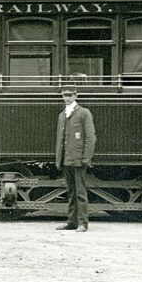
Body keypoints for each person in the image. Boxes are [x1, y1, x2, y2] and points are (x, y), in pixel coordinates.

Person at [54, 83, 96, 232]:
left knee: (80, 193)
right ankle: (71, 222)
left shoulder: (84, 113)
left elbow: (90, 137)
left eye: (70, 95)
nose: (67, 98)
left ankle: (83, 223)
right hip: (67, 160)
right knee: (71, 193)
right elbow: (60, 139)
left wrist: (86, 158)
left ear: (76, 95)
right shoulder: (62, 115)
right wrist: (59, 159)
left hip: (78, 160)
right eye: (64, 95)